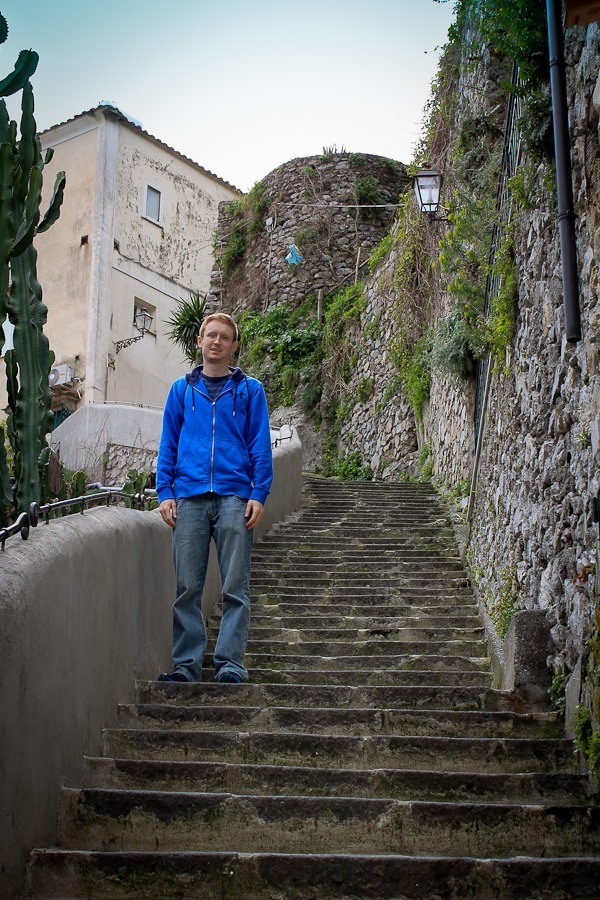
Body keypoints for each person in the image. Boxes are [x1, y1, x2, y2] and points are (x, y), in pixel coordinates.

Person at [155, 312, 273, 684]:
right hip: (188, 497)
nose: (217, 342)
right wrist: (165, 491)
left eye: (224, 337)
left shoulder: (251, 390)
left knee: (235, 586)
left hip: (235, 497)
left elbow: (260, 445)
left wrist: (259, 492)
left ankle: (230, 665)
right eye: (211, 335)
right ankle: (186, 667)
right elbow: (168, 444)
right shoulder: (181, 390)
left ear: (234, 345)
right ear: (199, 341)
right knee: (187, 587)